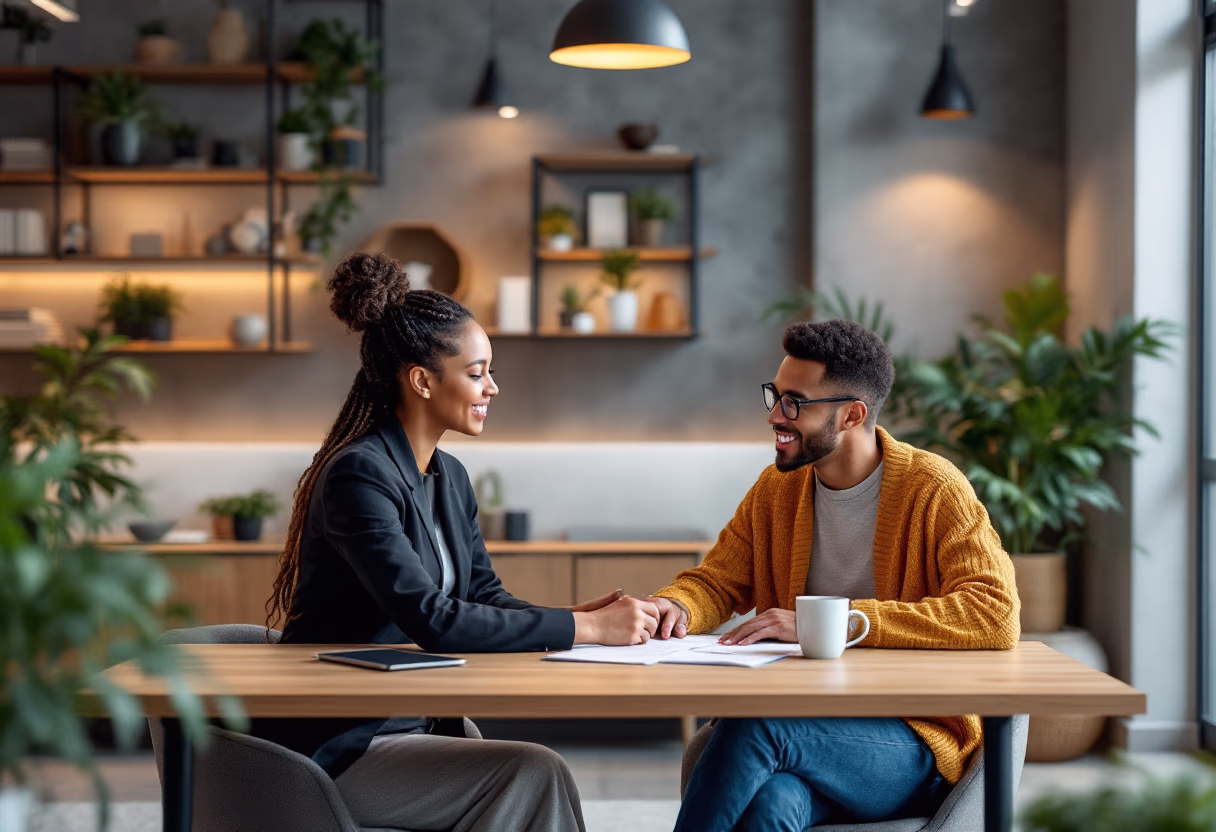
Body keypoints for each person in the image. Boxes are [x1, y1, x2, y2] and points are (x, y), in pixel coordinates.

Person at [256, 251, 661, 832]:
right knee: (532, 772)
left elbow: (482, 595)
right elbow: (434, 619)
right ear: (421, 380)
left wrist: (573, 617)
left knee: (533, 772)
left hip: (408, 725)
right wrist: (587, 630)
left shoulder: (449, 476)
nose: (492, 387)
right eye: (477, 372)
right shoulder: (358, 475)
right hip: (342, 744)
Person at [646, 319, 1020, 832]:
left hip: (911, 741)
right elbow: (718, 581)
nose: (776, 415)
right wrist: (676, 608)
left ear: (852, 415)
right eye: (774, 396)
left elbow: (993, 614)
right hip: (807, 726)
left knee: (753, 719)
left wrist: (834, 622)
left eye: (795, 402)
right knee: (770, 805)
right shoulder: (778, 491)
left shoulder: (933, 489)